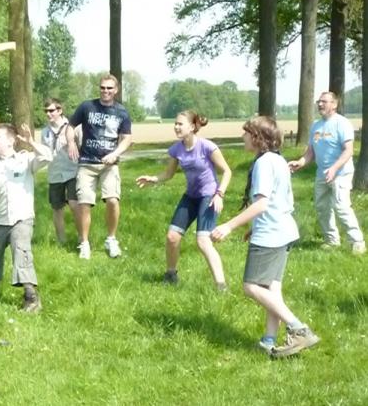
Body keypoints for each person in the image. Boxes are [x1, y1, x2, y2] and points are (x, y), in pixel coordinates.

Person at [211, 116, 320, 358]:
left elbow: (261, 204)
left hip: (271, 234)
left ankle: (298, 328)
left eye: (246, 132)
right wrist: (254, 227)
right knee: (273, 289)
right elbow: (277, 200)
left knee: (251, 286)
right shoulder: (278, 160)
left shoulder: (263, 164)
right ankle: (268, 341)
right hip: (283, 229)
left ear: (258, 137)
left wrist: (229, 226)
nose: (243, 137)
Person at [136, 111, 231, 289]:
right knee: (172, 237)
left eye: (180, 124)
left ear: (192, 127)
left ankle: (221, 285)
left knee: (203, 241)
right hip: (191, 196)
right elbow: (169, 174)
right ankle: (171, 275)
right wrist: (153, 179)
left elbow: (227, 171)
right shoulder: (176, 149)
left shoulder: (207, 147)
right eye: (175, 124)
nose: (176, 127)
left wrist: (220, 194)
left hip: (208, 196)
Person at [0, 123, 52, 312]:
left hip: (22, 218)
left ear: (11, 141)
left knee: (21, 250)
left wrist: (32, 142)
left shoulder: (24, 160)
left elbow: (47, 156)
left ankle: (31, 297)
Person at [288, 91, 365, 254]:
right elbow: (310, 152)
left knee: (341, 206)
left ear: (334, 104)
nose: (320, 104)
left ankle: (357, 242)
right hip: (322, 174)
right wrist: (300, 162)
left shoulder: (342, 124)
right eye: (319, 101)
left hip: (341, 173)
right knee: (322, 207)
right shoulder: (316, 126)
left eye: (324, 101)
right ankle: (331, 240)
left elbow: (348, 151)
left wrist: (335, 168)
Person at [66, 74, 132, 260]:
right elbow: (70, 126)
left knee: (112, 200)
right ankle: (84, 243)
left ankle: (111, 239)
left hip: (109, 165)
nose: (105, 91)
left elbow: (127, 138)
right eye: (103, 88)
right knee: (84, 204)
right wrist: (71, 142)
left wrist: (115, 154)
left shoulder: (122, 112)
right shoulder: (87, 106)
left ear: (116, 90)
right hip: (86, 163)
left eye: (109, 88)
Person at [40, 98, 81, 244]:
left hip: (72, 171)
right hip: (54, 174)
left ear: (60, 110)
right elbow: (44, 153)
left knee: (74, 204)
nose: (48, 114)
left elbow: (82, 148)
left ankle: (82, 238)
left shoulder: (72, 127)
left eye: (51, 111)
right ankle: (61, 241)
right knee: (57, 208)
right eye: (46, 111)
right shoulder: (45, 132)